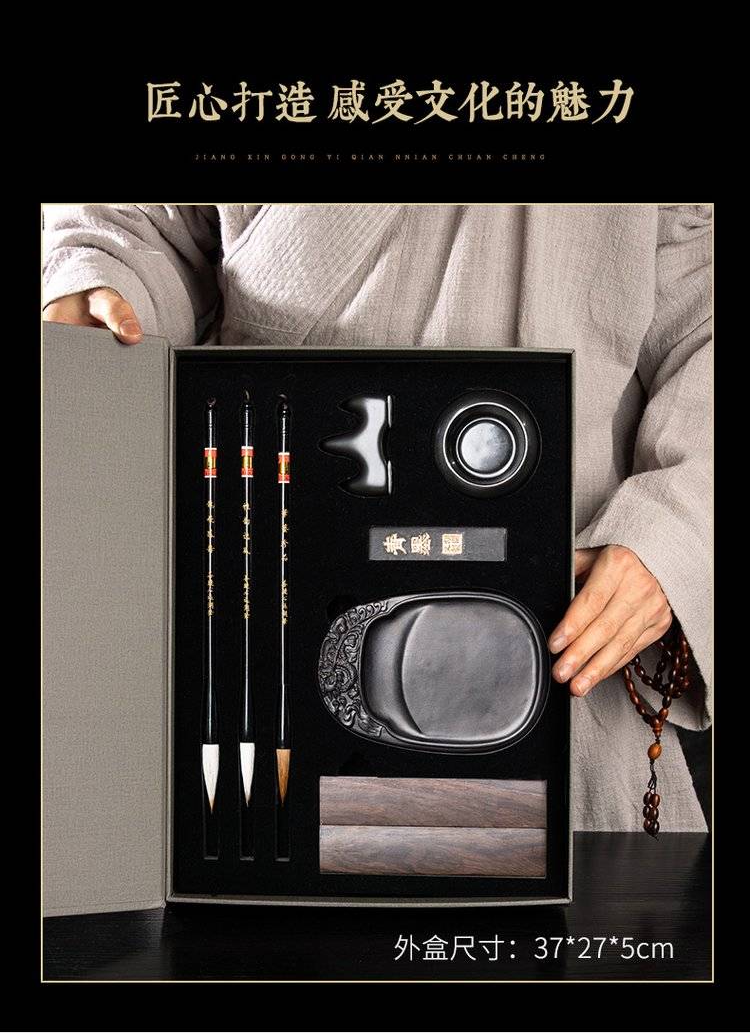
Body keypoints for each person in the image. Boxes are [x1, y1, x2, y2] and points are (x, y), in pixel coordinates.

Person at [42, 203, 712, 831]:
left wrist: (671, 536)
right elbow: (141, 224)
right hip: (266, 547)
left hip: (565, 602)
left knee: (541, 869)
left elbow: (704, 319)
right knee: (249, 840)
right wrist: (103, 288)